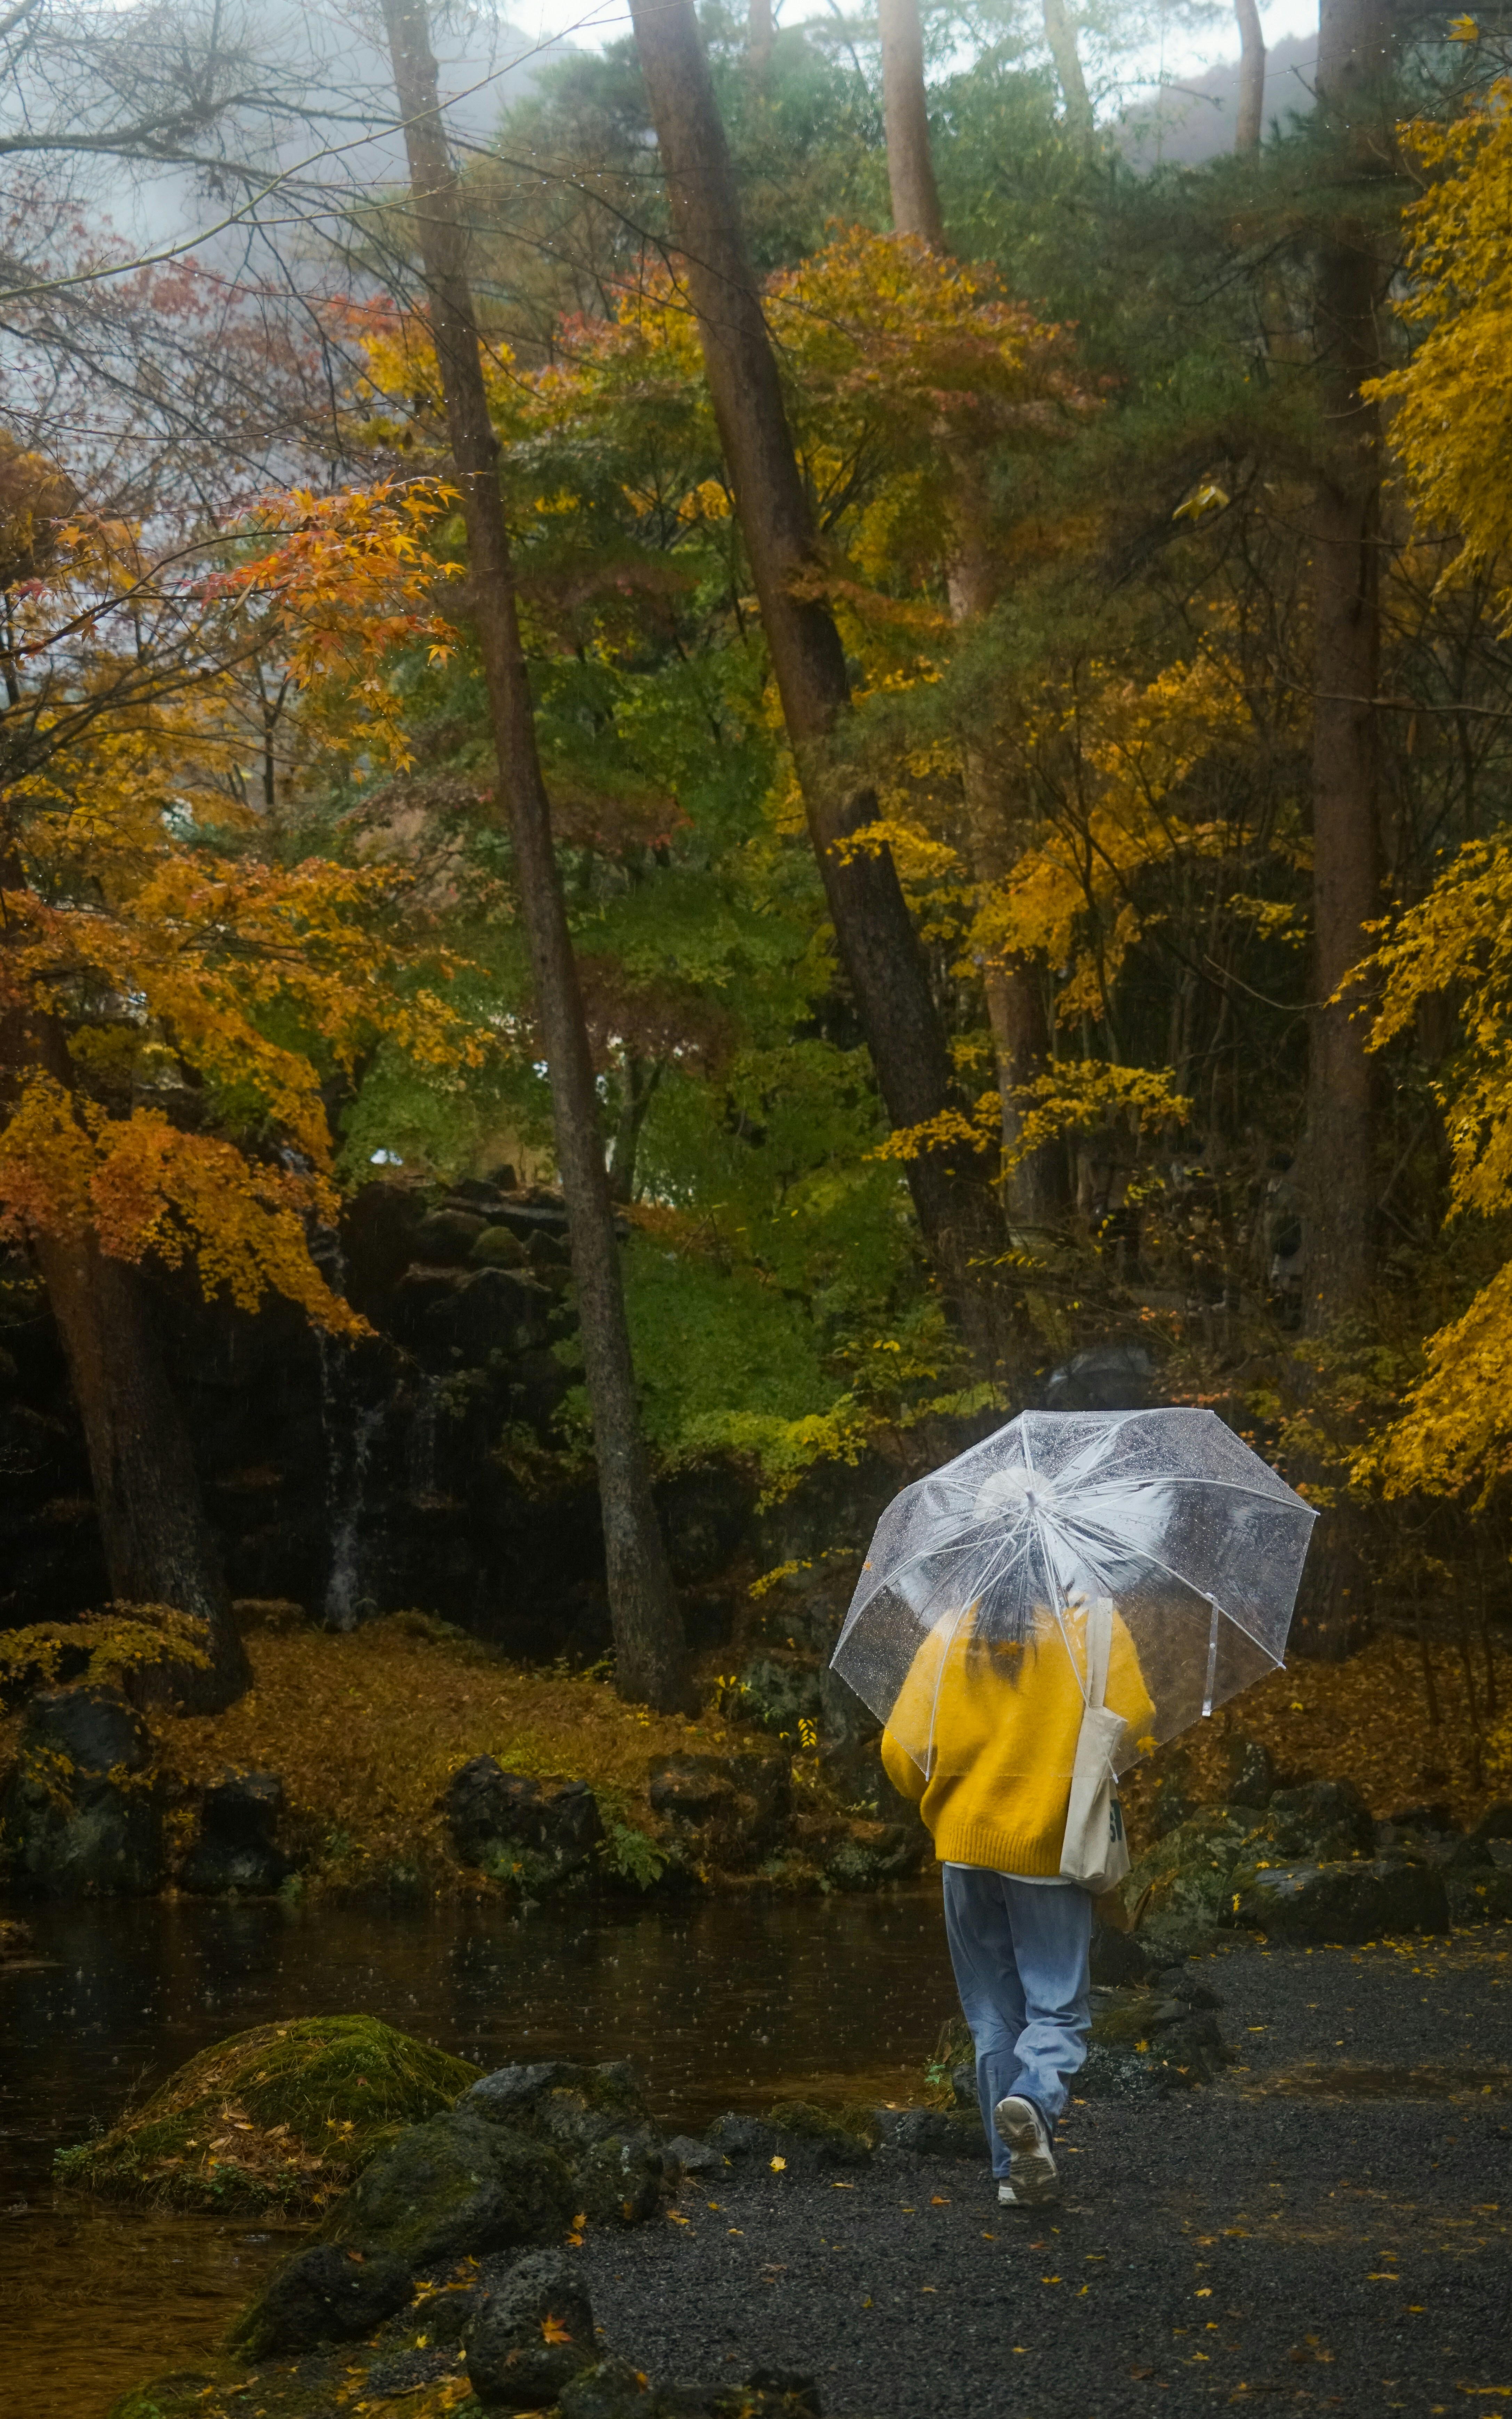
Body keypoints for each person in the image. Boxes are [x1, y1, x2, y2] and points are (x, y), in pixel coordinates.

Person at [880, 1593, 1153, 2205]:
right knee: (1056, 2012)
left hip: (965, 1851)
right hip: (1049, 1851)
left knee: (993, 2019)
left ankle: (1014, 2174)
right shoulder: (1093, 1625)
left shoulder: (951, 1631)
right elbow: (1136, 1718)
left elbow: (902, 1756)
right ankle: (1031, 2100)